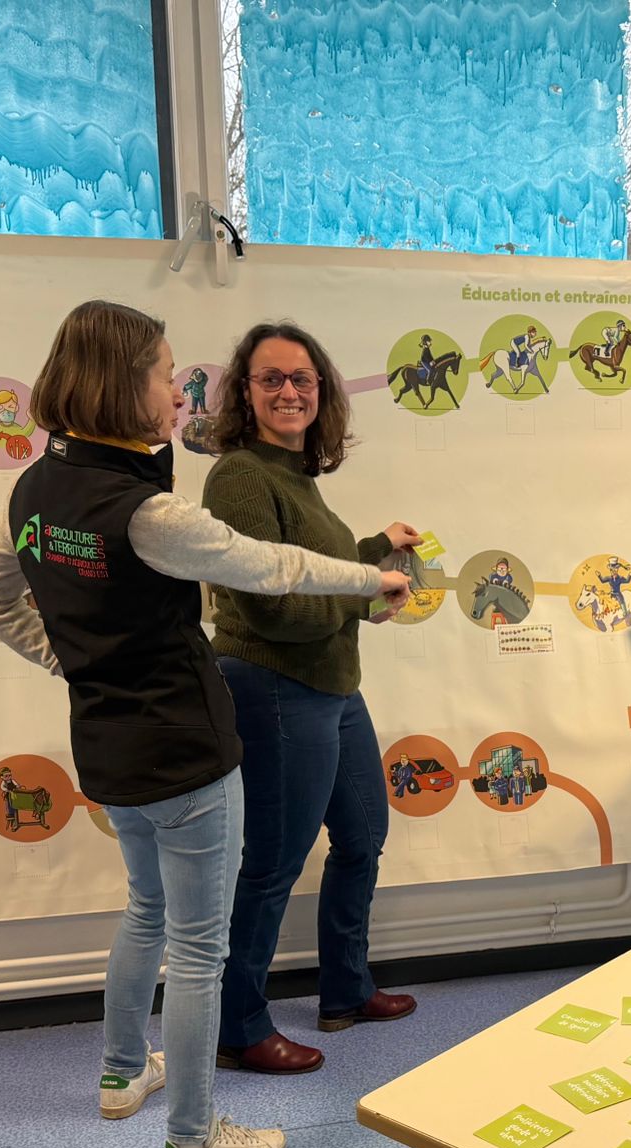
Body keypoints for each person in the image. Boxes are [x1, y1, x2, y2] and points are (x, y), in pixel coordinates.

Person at [0, 299, 409, 1148]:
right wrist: (376, 576)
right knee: (199, 951)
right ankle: (194, 1144)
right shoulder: (144, 510)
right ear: (128, 383)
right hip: (184, 747)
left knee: (146, 914)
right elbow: (273, 568)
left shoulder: (37, 487)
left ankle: (124, 1073)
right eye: (168, 372)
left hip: (110, 744)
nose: (178, 388)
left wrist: (75, 664)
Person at [202, 321, 421, 1075]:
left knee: (362, 838)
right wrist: (369, 593)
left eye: (302, 379)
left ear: (321, 393)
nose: (290, 391)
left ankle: (345, 991)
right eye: (272, 379)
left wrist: (374, 550)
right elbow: (271, 608)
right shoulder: (238, 477)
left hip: (331, 687)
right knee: (273, 862)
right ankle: (238, 1025)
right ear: (247, 392)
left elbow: (313, 572)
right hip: (273, 687)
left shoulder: (297, 477)